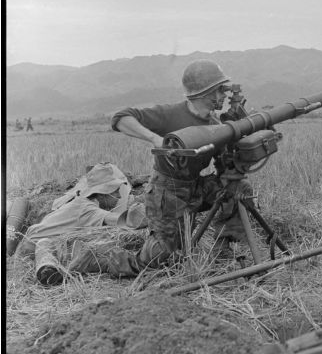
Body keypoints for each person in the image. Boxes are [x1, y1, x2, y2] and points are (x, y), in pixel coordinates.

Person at [96, 59, 251, 277]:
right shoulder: (169, 114)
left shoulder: (215, 125)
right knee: (162, 257)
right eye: (219, 89)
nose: (224, 94)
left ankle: (222, 249)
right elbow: (120, 118)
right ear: (205, 93)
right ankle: (99, 260)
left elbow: (225, 169)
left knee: (238, 187)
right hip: (166, 194)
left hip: (194, 188)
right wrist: (155, 139)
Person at [16, 163, 146, 286]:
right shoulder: (88, 209)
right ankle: (50, 271)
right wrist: (148, 218)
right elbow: (119, 220)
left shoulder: (83, 202)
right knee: (90, 254)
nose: (118, 196)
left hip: (37, 243)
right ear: (104, 192)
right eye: (115, 191)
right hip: (38, 247)